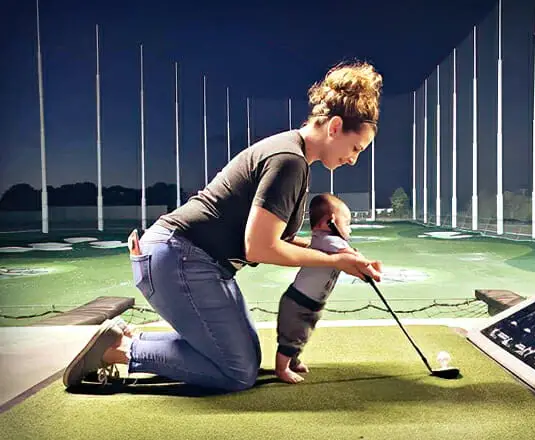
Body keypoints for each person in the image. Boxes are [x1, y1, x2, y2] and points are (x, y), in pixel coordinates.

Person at [63, 61, 384, 392]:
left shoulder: (293, 157)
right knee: (237, 372)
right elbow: (260, 248)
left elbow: (275, 239)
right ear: (335, 127)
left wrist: (342, 255)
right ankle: (120, 350)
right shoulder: (289, 161)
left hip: (189, 259)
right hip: (179, 258)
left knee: (244, 358)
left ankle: (123, 338)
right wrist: (334, 261)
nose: (353, 159)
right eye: (355, 148)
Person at [275, 193, 353, 384]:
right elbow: (350, 256)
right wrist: (369, 267)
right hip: (300, 302)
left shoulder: (323, 240)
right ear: (330, 222)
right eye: (347, 223)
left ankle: (293, 361)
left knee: (301, 336)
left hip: (308, 301)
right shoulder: (329, 240)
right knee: (292, 337)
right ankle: (282, 369)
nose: (350, 229)